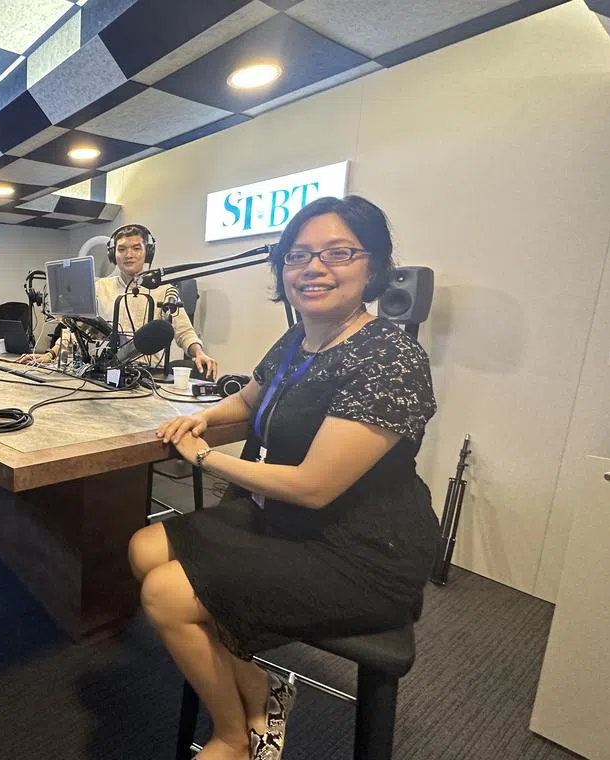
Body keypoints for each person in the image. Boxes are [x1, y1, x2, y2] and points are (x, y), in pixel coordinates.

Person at [129, 196, 438, 760]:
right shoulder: (298, 339)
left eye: (338, 253)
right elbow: (250, 400)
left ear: (373, 267)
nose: (313, 268)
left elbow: (313, 485)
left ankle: (233, 737)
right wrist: (202, 417)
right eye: (298, 255)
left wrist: (202, 456)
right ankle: (263, 692)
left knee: (165, 593)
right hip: (288, 522)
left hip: (363, 551)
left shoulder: (390, 356)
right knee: (144, 546)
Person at [17, 224, 219, 378]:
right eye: (122, 249)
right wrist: (50, 355)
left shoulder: (165, 290)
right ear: (113, 254)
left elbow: (184, 331)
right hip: (102, 372)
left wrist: (198, 353)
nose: (129, 254)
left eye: (136, 248)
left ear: (147, 252)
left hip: (146, 377)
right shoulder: (99, 288)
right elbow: (77, 330)